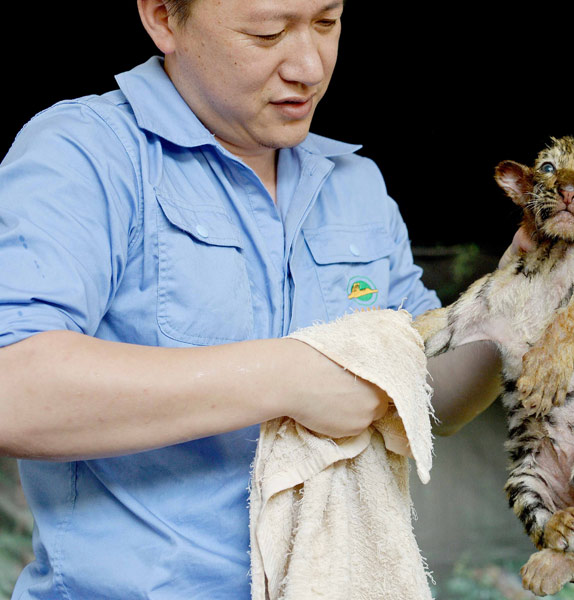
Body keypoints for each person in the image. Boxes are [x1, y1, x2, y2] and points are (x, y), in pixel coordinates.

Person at [0, 1, 507, 597]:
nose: (310, 67)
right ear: (163, 18)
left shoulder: (353, 183)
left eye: (327, 23)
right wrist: (289, 377)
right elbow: (15, 391)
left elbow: (431, 396)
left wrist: (524, 301)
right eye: (268, 33)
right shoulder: (84, 153)